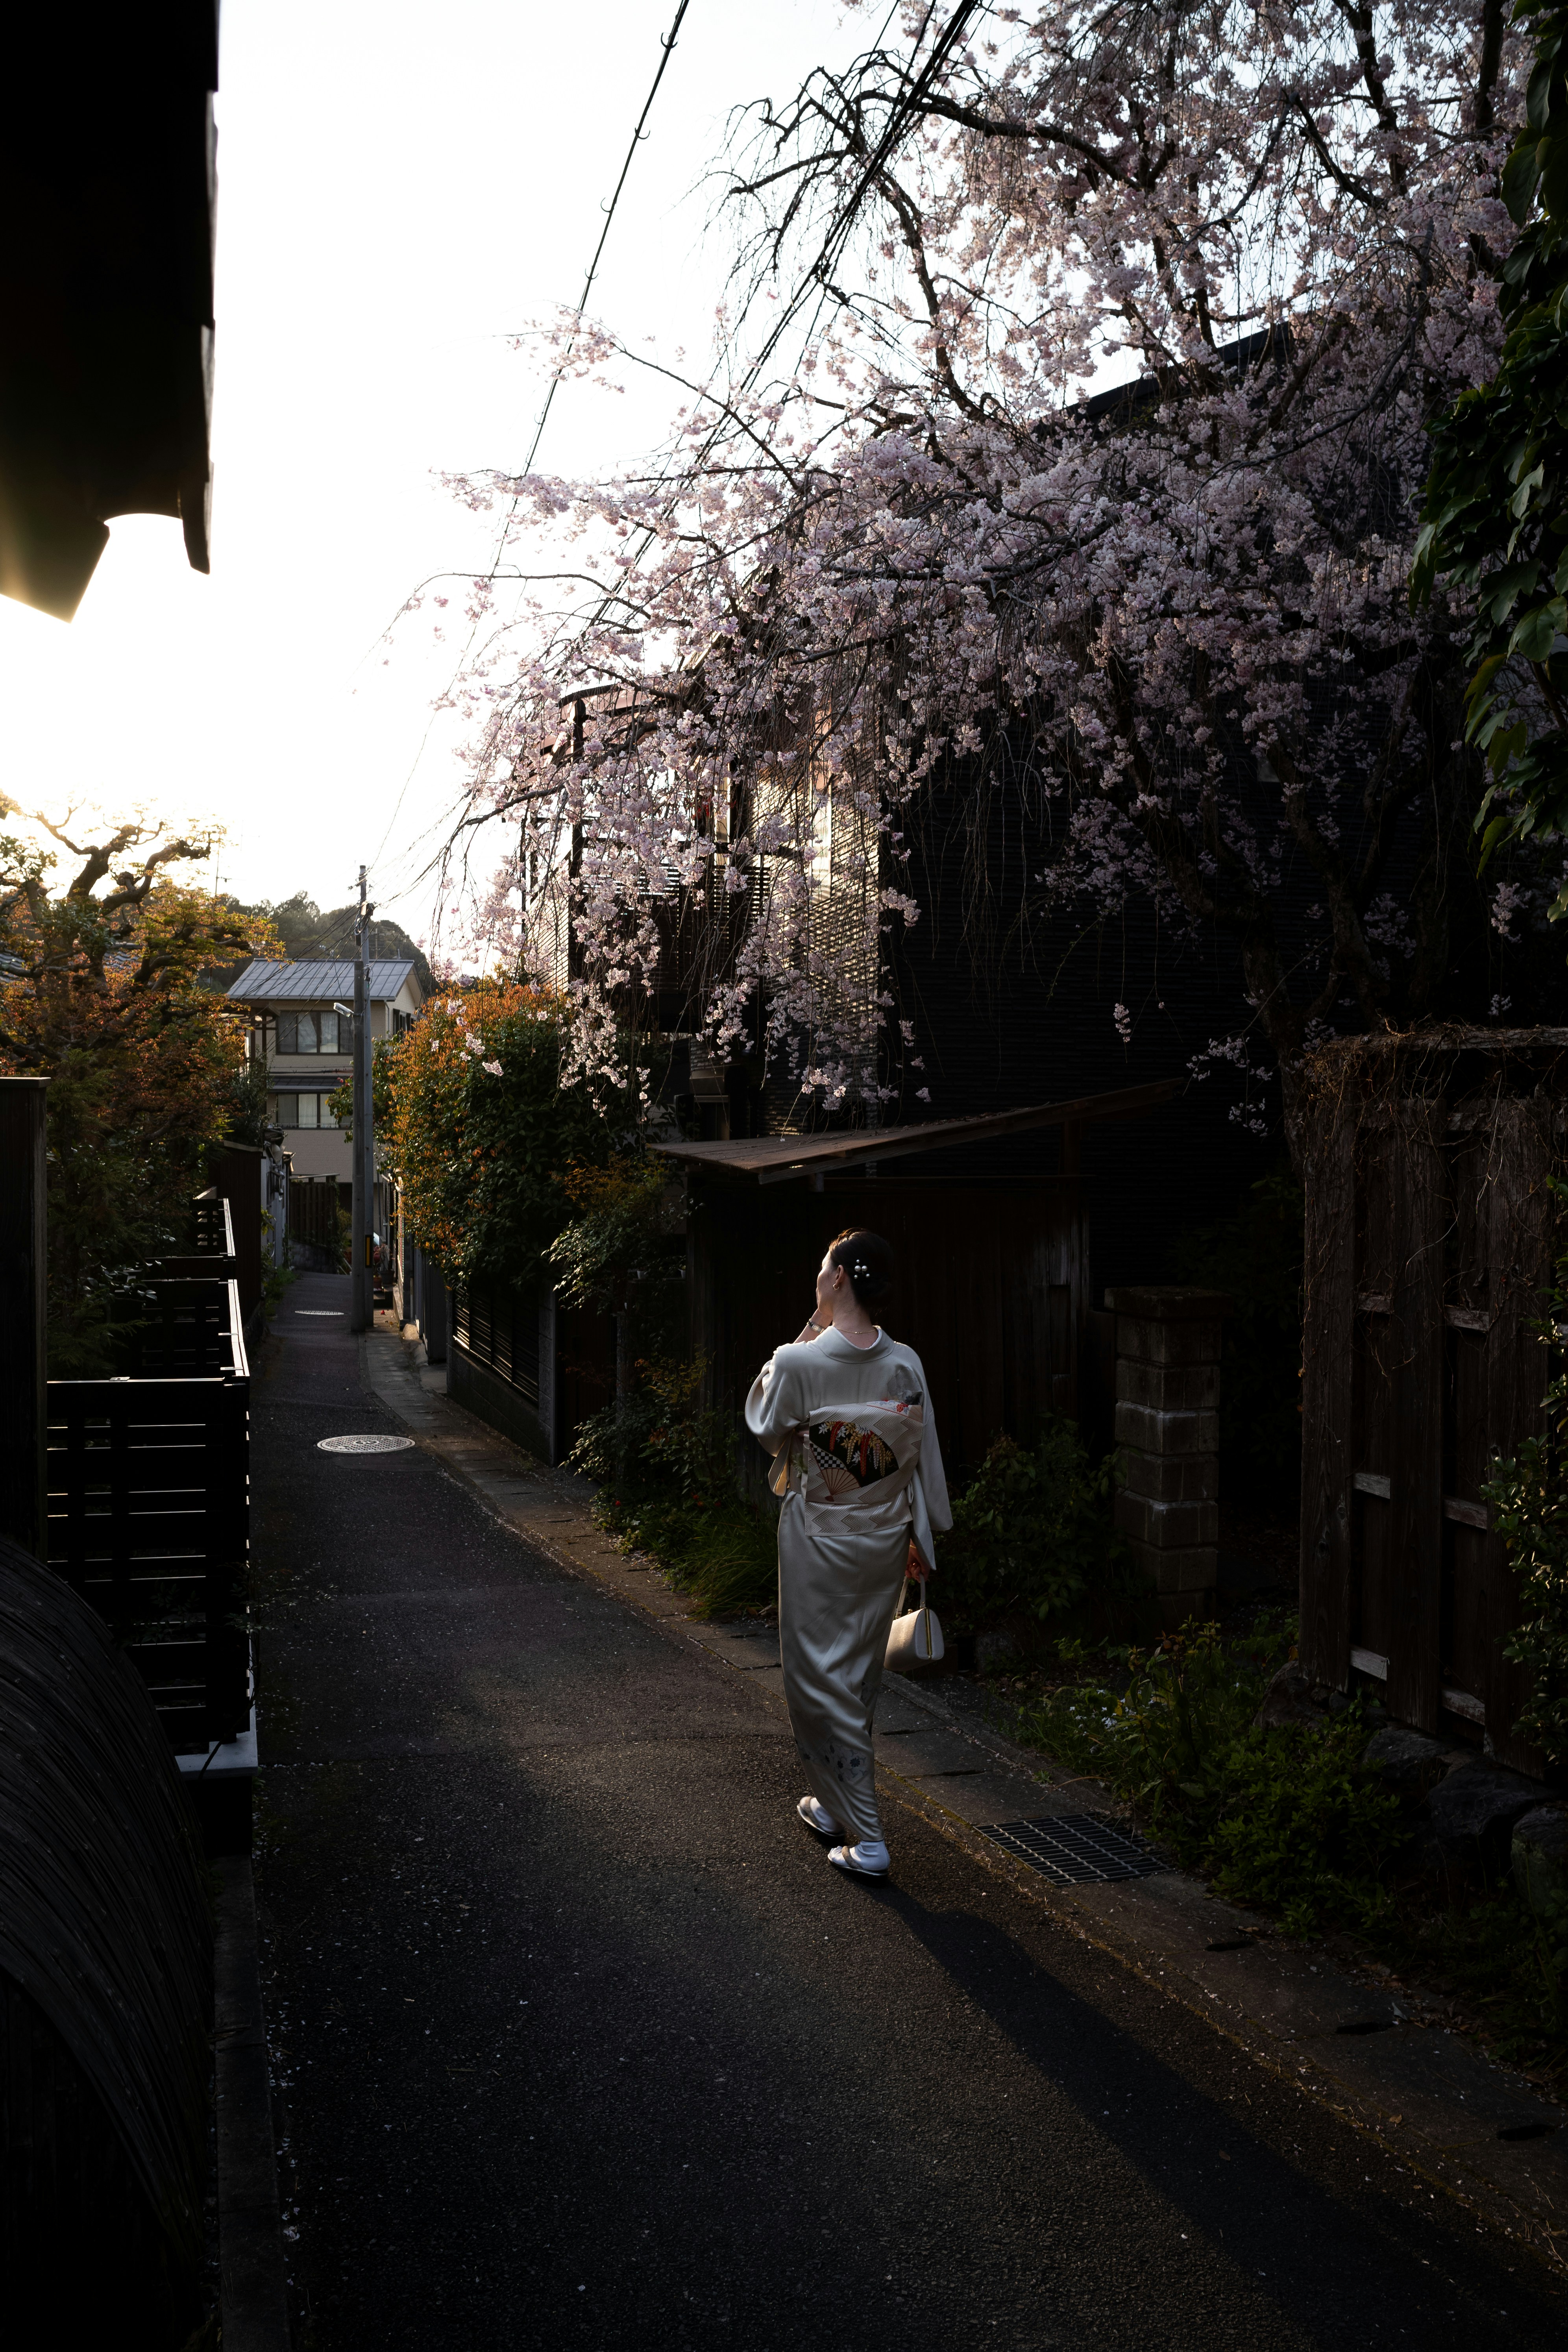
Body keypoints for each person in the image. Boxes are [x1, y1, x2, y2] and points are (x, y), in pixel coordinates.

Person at [745, 1228, 951, 1879]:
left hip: (820, 1539)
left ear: (838, 1280)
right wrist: (926, 1531)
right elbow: (925, 1460)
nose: (817, 1278)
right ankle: (833, 1806)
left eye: (822, 1269)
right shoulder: (906, 1364)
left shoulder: (800, 1362)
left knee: (813, 1679)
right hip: (885, 1534)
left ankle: (868, 1836)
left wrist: (810, 1327)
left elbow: (764, 1424)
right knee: (857, 1675)